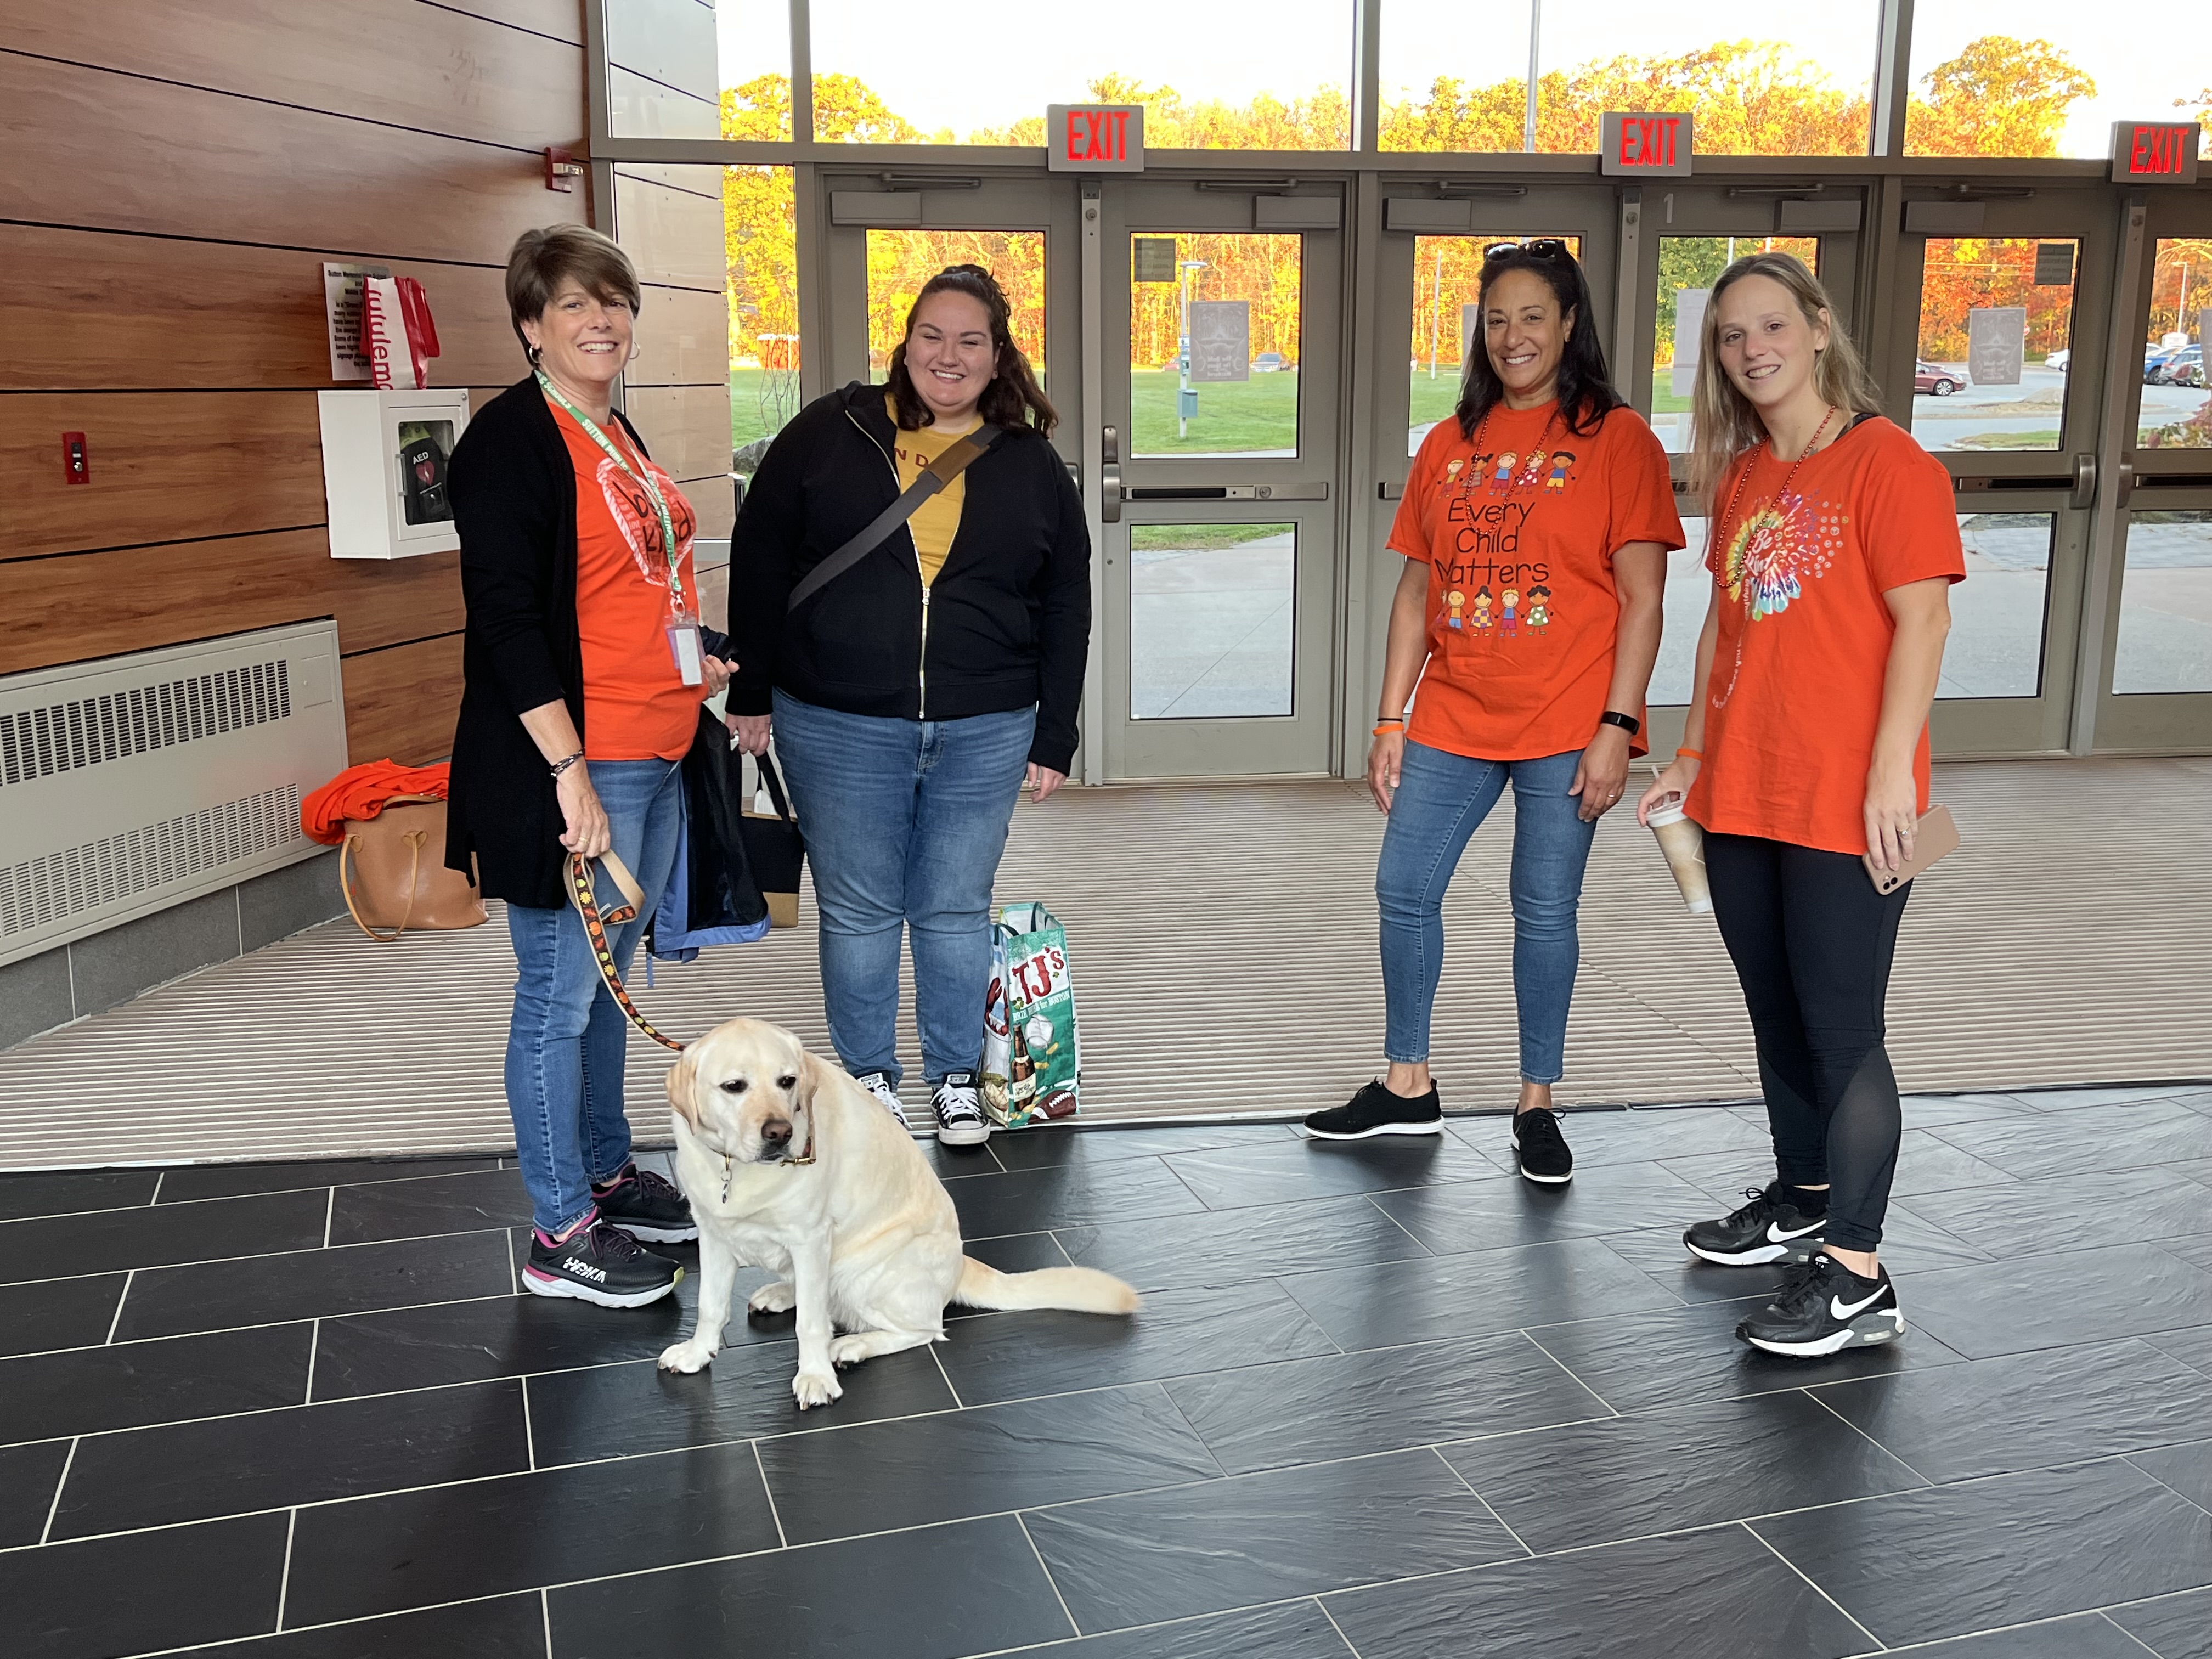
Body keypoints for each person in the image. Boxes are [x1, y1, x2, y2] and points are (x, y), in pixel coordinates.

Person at [1637, 251, 1962, 1357]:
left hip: (1847, 801)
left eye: (1772, 325)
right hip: (1744, 793)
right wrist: (1691, 753)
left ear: (1819, 328)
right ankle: (1806, 1193)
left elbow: (1922, 625)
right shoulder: (1743, 477)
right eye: (1732, 336)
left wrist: (1889, 775)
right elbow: (1729, 630)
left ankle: (1860, 1275)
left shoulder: (1890, 464)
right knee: (1777, 1021)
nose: (1753, 349)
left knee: (1842, 1032)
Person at [1303, 240, 1682, 1182]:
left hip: (1569, 724)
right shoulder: (1450, 443)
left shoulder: (1617, 438)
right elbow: (1413, 593)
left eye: (1533, 317)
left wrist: (1618, 729)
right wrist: (1390, 717)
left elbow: (1644, 599)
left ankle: (1538, 1101)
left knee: (1543, 911)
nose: (1513, 336)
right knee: (1405, 889)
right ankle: (1407, 1087)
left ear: (1568, 325)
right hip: (1453, 716)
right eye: (1497, 318)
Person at [726, 265, 1089, 1149]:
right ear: (906, 342)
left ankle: (954, 1076)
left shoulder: (1029, 461)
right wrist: (751, 687)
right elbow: (763, 555)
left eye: (971, 340)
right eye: (933, 335)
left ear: (997, 355)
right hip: (839, 720)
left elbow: (1066, 597)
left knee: (956, 905)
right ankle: (868, 1081)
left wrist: (1055, 730)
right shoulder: (831, 431)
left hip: (985, 724)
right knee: (859, 907)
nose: (949, 356)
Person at [447, 225, 733, 1308]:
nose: (600, 320)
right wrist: (566, 771)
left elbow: (635, 587)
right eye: (573, 304)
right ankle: (560, 1229)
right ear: (531, 326)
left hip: (651, 744)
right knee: (558, 998)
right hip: (579, 760)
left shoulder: (611, 427)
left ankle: (608, 1175)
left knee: (610, 987)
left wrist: (699, 657)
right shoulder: (511, 442)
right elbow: (509, 623)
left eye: (613, 301)